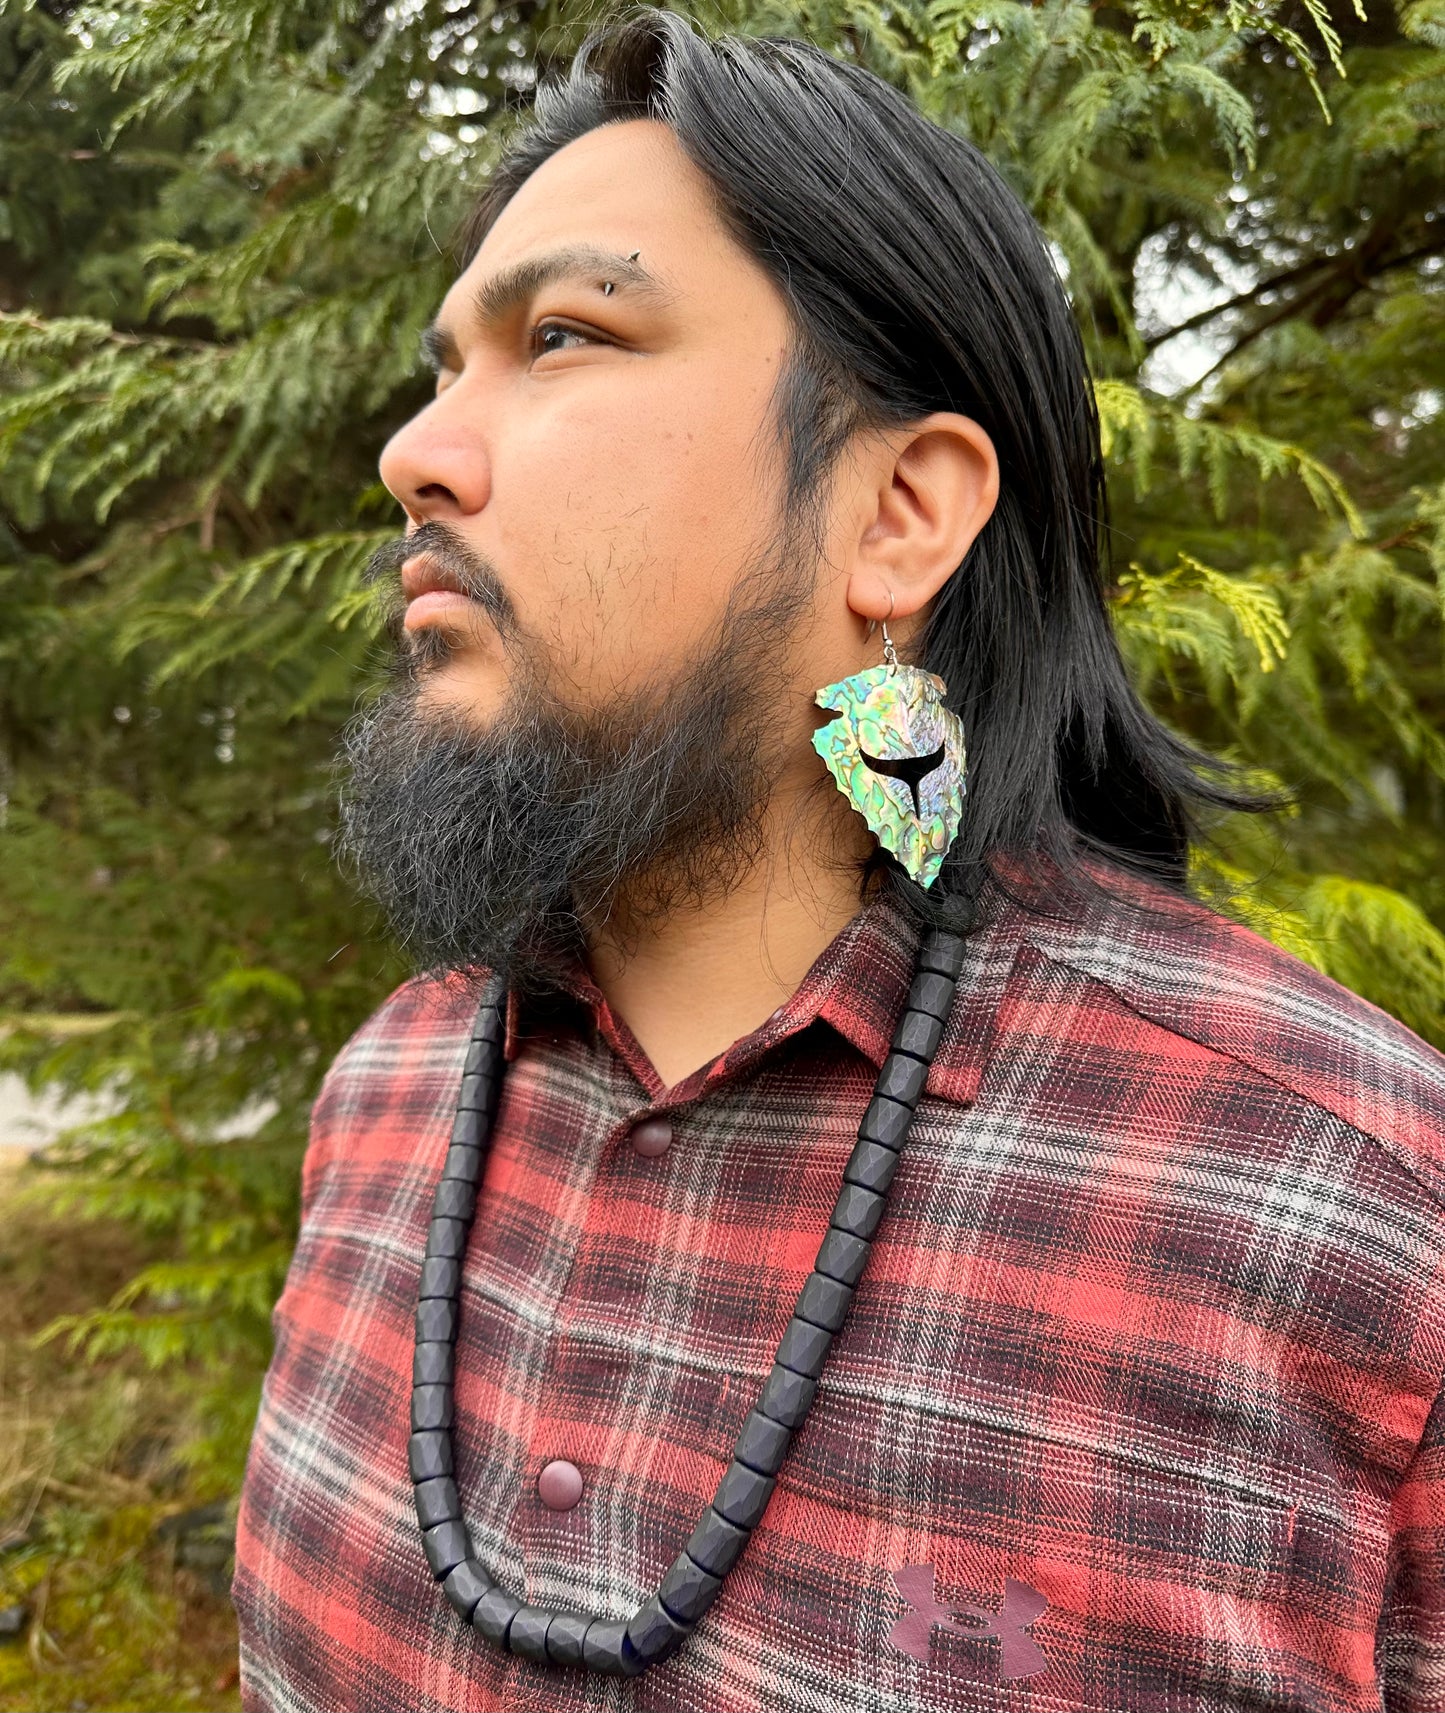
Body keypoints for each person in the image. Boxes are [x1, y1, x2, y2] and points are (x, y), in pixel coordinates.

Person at [232, 11, 1445, 1711]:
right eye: (443, 371)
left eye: (563, 336)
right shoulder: (388, 1093)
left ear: (896, 515)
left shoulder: (1359, 1221)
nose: (415, 455)